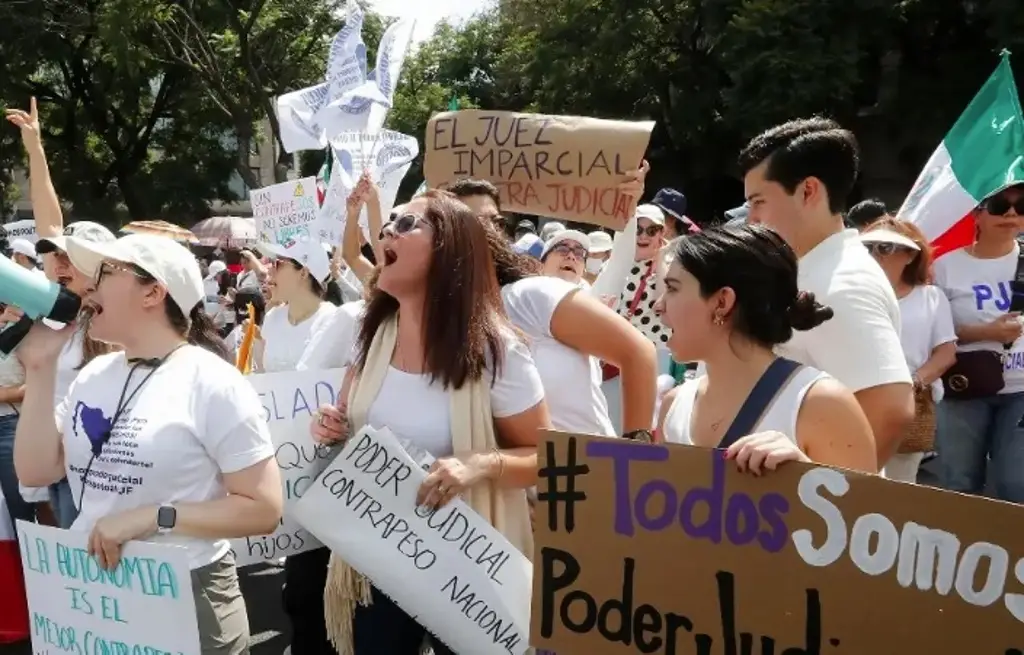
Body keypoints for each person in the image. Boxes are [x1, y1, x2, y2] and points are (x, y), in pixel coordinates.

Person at [13, 234, 281, 653]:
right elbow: (36, 470)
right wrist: (40, 365)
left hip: (187, 592)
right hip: (100, 591)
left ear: (153, 292)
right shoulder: (94, 374)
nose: (87, 285)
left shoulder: (212, 381)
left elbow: (264, 509)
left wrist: (154, 517)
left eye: (103, 273)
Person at [311, 191, 548, 654]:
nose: (386, 231)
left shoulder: (498, 351)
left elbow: (546, 458)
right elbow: (345, 420)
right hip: (376, 559)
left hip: (468, 566)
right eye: (387, 224)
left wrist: (478, 465)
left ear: (450, 251)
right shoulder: (372, 336)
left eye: (406, 224)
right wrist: (330, 426)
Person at [738, 117, 913, 468]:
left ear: (808, 191)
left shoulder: (842, 285)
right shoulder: (815, 272)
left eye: (758, 202)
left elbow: (891, 409)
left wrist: (826, 490)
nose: (750, 220)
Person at [656, 224, 877, 473]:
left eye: (672, 288)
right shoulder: (673, 406)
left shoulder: (821, 403)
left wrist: (804, 476)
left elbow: (868, 510)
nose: (658, 305)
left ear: (722, 302)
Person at [7, 97, 119, 528]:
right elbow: (49, 225)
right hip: (51, 466)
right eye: (52, 256)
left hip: (99, 473)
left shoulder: (111, 323)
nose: (57, 262)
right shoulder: (51, 313)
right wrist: (34, 148)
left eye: (70, 258)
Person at [932, 184, 1024, 502]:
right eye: (1000, 205)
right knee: (960, 484)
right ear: (977, 214)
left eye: (1021, 205)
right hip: (964, 388)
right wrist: (986, 332)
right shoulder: (944, 266)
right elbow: (934, 330)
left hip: (1021, 392)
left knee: (1017, 487)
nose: (1011, 213)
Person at [860, 221, 956, 482]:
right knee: (853, 481)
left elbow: (946, 352)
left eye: (885, 247)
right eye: (866, 246)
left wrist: (913, 383)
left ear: (910, 255)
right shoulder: (850, 295)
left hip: (908, 404)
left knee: (899, 487)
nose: (874, 254)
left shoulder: (931, 298)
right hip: (856, 400)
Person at [252, 237, 337, 373]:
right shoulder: (272, 317)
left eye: (277, 264)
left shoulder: (332, 321)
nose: (269, 271)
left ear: (303, 273)